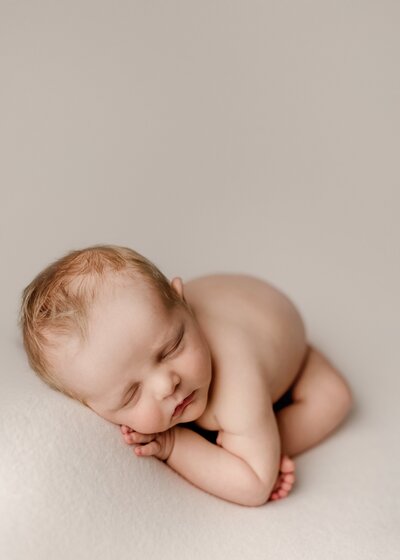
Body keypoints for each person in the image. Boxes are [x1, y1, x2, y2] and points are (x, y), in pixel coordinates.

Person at [19, 244, 353, 507]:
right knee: (248, 435)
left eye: (171, 347)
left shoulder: (237, 380)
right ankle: (253, 438)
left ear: (182, 302)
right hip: (236, 306)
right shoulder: (135, 346)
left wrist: (175, 444)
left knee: (334, 398)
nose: (167, 385)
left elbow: (255, 485)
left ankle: (260, 441)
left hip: (285, 340)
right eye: (131, 393)